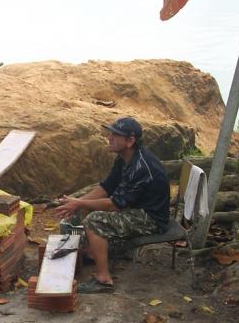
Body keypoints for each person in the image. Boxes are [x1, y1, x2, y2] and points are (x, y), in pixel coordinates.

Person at [53, 117, 171, 293]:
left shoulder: (141, 167)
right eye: (111, 133)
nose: (110, 137)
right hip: (136, 208)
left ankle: (104, 279)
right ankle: (91, 253)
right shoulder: (124, 158)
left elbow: (114, 205)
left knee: (94, 220)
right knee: (87, 207)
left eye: (116, 135)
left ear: (130, 141)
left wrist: (80, 203)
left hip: (151, 218)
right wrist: (77, 203)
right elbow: (107, 187)